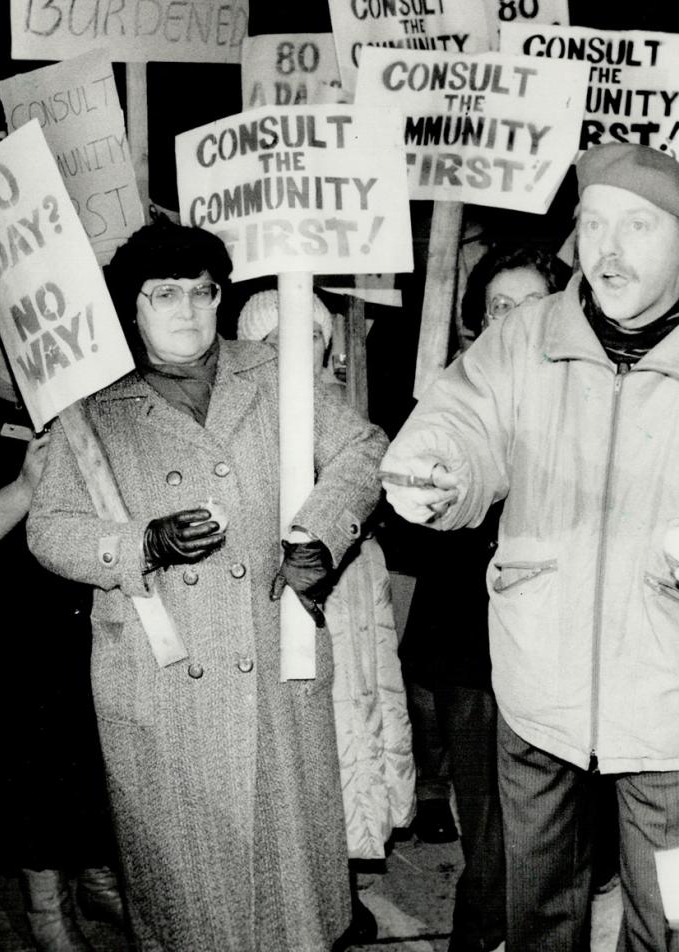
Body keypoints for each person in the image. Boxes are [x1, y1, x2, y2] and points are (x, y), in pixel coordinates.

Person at [381, 143, 679, 952]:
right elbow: (459, 426)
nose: (605, 250)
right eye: (592, 225)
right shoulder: (521, 340)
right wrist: (442, 473)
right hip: (538, 671)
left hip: (672, 677)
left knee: (668, 905)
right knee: (536, 903)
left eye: (635, 227)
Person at [27, 218, 388, 952]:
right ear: (131, 307)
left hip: (271, 661)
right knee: (192, 900)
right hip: (163, 683)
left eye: (202, 291)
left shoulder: (271, 372)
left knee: (292, 897)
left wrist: (320, 536)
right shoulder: (92, 406)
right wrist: (142, 543)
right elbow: (50, 530)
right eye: (164, 295)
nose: (187, 310)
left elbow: (363, 449)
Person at [400, 243, 567, 952]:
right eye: (501, 306)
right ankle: (483, 929)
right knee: (488, 807)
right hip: (472, 643)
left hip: (558, 642)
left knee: (546, 814)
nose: (516, 318)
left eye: (532, 304)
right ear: (476, 320)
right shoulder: (451, 401)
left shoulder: (589, 398)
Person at [235, 288, 415, 945]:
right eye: (273, 344)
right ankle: (301, 891)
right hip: (286, 606)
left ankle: (338, 883)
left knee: (352, 742)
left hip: (351, 599)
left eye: (308, 338)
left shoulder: (344, 418)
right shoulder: (238, 425)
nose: (292, 356)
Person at [0, 329, 127, 952]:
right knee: (31, 757)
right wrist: (24, 483)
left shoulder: (83, 406)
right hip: (10, 617)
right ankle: (45, 904)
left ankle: (93, 870)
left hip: (79, 603)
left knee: (91, 743)